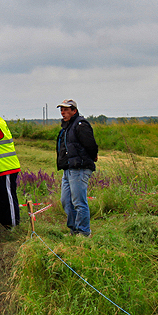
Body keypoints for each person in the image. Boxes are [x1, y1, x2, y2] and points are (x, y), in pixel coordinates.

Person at [56, 99, 98, 237]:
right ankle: (74, 230)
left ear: (74, 111)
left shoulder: (80, 124)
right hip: (68, 169)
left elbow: (91, 145)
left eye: (66, 110)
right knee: (66, 201)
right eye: (62, 110)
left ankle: (84, 232)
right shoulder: (67, 127)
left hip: (79, 168)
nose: (63, 112)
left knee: (79, 201)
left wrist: (92, 156)